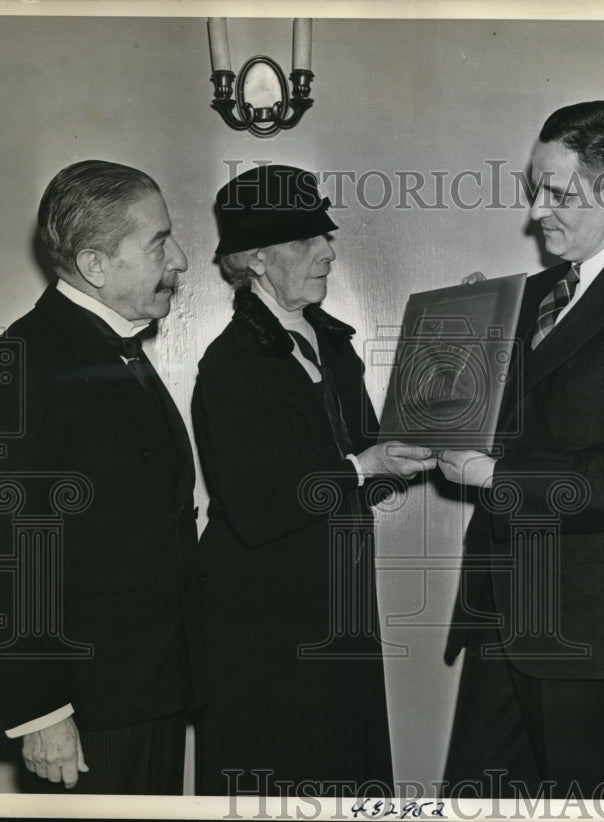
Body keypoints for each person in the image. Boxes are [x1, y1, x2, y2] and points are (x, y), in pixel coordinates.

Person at [438, 101, 604, 798]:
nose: (537, 212)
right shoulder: (529, 297)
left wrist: (494, 474)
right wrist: (435, 425)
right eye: (537, 189)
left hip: (595, 634)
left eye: (555, 190)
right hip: (504, 613)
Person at [192, 164, 436, 796]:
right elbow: (256, 509)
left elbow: (371, 469)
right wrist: (365, 466)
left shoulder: (332, 344)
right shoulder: (228, 365)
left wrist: (431, 430)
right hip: (261, 623)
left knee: (345, 774)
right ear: (253, 260)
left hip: (337, 606)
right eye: (305, 241)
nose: (328, 250)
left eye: (325, 236)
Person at [0, 160, 203, 794]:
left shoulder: (113, 347)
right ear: (95, 266)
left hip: (148, 687)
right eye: (158, 242)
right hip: (88, 708)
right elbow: (5, 553)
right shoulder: (25, 359)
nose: (179, 260)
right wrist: (41, 712)